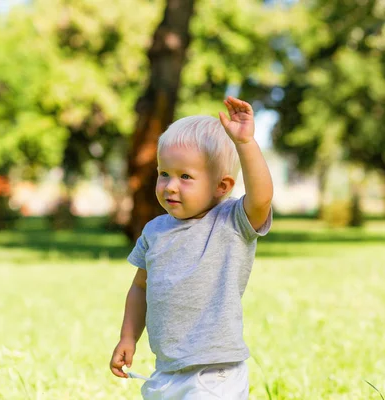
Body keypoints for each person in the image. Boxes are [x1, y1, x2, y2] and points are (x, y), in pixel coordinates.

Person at [109, 96, 274, 399]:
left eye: (185, 177)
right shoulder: (155, 231)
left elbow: (262, 197)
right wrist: (128, 337)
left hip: (214, 373)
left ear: (221, 186)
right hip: (166, 370)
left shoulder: (231, 222)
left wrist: (246, 143)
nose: (170, 185)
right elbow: (140, 288)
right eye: (164, 174)